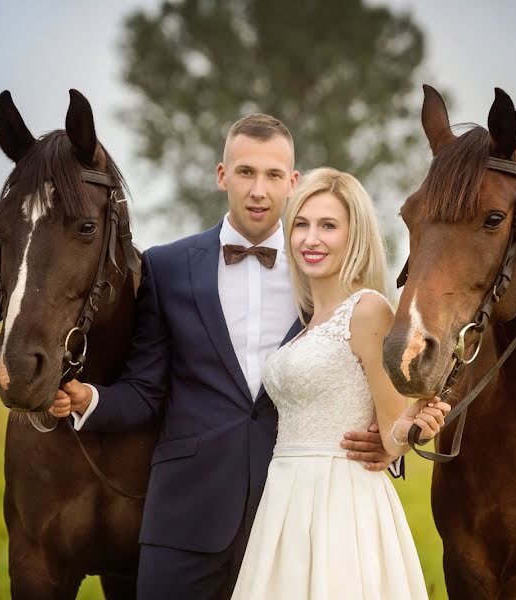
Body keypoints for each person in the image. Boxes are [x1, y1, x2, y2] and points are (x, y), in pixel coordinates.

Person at [49, 114, 401, 599]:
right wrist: (89, 399)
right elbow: (146, 389)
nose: (259, 190)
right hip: (185, 517)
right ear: (222, 175)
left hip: (293, 520)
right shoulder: (166, 267)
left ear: (292, 182)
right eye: (246, 173)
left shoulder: (320, 278)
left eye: (274, 175)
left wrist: (391, 445)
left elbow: (362, 374)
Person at [230, 167, 450, 599]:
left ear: (354, 235)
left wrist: (412, 425)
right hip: (285, 500)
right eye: (301, 225)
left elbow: (392, 434)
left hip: (342, 504)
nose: (311, 239)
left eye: (328, 225)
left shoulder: (368, 310)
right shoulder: (305, 325)